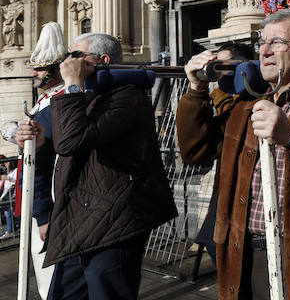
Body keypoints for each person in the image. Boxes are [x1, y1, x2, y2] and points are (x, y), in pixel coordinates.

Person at [177, 9, 290, 300]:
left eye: (277, 42)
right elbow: (195, 151)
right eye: (262, 42)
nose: (265, 51)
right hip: (242, 251)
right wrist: (197, 89)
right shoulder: (245, 100)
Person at [13, 32, 177, 299]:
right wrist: (33, 138)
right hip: (76, 219)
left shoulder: (126, 96)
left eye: (77, 56)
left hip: (113, 221)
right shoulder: (77, 96)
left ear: (103, 60)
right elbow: (49, 135)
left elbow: (71, 141)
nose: (68, 62)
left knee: (106, 292)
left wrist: (73, 85)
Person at [12, 22, 68, 298]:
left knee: (52, 277)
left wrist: (43, 213)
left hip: (47, 199)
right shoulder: (45, 100)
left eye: (41, 68)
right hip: (35, 197)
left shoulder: (61, 102)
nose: (35, 73)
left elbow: (45, 162)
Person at [191, 41, 255, 267]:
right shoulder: (224, 97)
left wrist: (219, 90)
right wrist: (197, 88)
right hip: (225, 196)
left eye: (221, 65)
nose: (215, 70)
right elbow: (196, 147)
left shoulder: (249, 95)